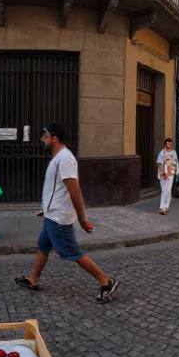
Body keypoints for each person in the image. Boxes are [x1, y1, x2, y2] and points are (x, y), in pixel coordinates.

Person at [15, 123, 117, 303]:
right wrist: (46, 209)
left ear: (54, 138)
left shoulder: (65, 159)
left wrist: (82, 218)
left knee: (73, 253)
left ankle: (106, 282)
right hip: (52, 214)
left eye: (45, 136)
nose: (42, 139)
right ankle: (33, 279)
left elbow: (75, 191)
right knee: (43, 246)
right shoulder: (57, 158)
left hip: (59, 219)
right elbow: (56, 190)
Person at [156, 138, 179, 215]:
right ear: (165, 144)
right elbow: (159, 163)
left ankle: (164, 207)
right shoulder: (162, 153)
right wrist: (162, 172)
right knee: (164, 189)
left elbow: (176, 161)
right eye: (168, 143)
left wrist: (177, 170)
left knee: (167, 190)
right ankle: (164, 206)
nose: (170, 145)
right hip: (163, 174)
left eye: (171, 143)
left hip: (171, 174)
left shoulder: (173, 152)